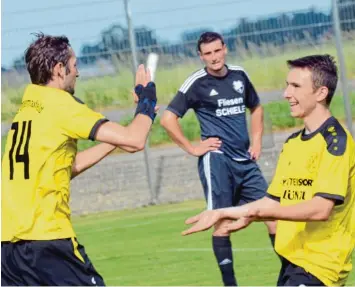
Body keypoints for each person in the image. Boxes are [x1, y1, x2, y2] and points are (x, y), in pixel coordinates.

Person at [181, 54, 355, 287]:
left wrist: (259, 214)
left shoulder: (336, 142)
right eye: (287, 85)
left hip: (320, 269)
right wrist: (226, 212)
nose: (286, 94)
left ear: (321, 93)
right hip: (292, 264)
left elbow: (320, 209)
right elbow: (272, 202)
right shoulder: (293, 143)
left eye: (295, 86)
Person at [1, 33, 158, 286]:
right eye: (75, 65)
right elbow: (136, 139)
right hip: (48, 239)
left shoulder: (27, 111)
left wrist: (114, 140)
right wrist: (147, 101)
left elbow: (64, 168)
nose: (79, 73)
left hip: (9, 246)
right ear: (59, 69)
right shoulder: (61, 106)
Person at [161, 31, 277, 286]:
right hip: (218, 161)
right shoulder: (196, 82)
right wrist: (192, 148)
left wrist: (256, 141)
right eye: (207, 53)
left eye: (217, 51)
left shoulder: (239, 75)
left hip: (245, 161)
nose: (213, 57)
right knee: (222, 223)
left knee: (273, 216)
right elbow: (167, 119)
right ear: (201, 56)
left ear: (224, 49)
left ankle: (291, 275)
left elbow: (256, 107)